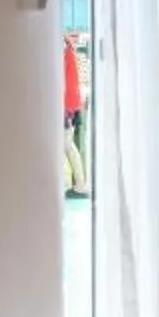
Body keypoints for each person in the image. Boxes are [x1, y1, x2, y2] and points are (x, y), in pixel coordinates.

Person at [61, 31, 89, 196]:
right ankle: (78, 184)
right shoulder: (69, 53)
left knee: (66, 146)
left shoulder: (66, 55)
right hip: (71, 105)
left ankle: (76, 184)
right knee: (68, 146)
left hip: (66, 106)